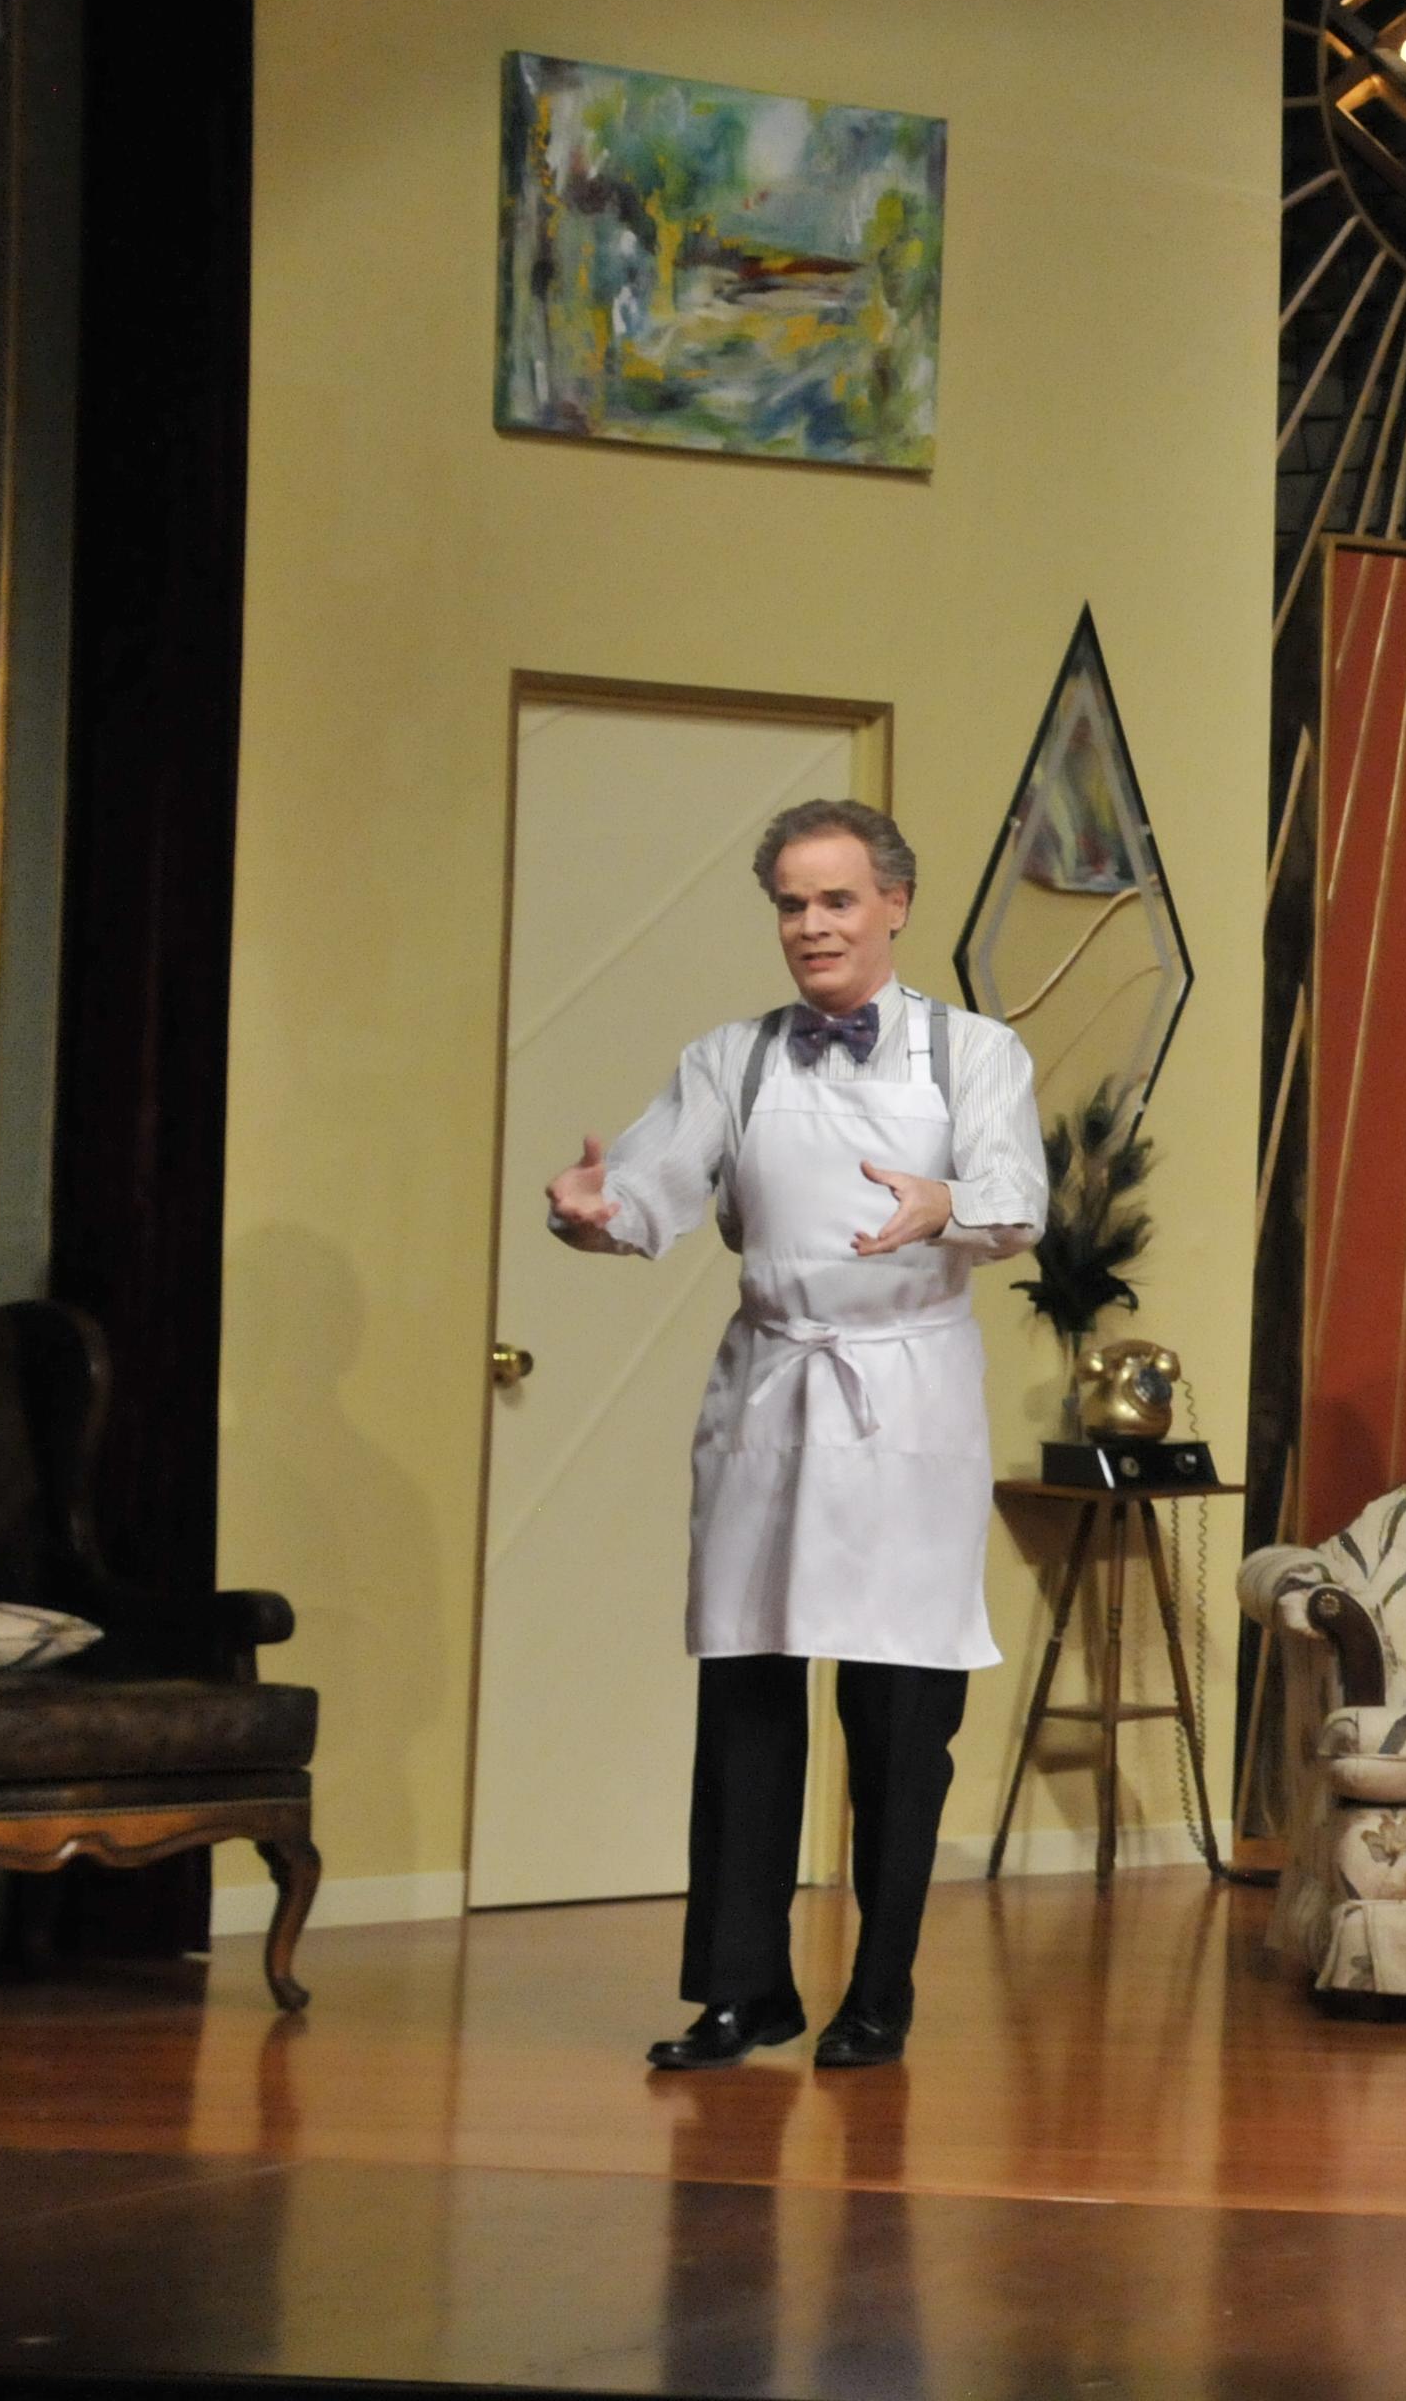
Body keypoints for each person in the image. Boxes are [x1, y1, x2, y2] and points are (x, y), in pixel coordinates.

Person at [544, 798, 1043, 2071]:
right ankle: (742, 1989)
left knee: (898, 1712)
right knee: (748, 1698)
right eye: (790, 904)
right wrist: (594, 1213)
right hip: (772, 1388)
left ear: (894, 905)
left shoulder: (974, 1051)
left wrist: (944, 1204)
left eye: (835, 899)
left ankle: (878, 1991)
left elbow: (1016, 1201)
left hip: (906, 1392)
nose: (811, 925)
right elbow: (647, 1191)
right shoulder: (736, 1059)